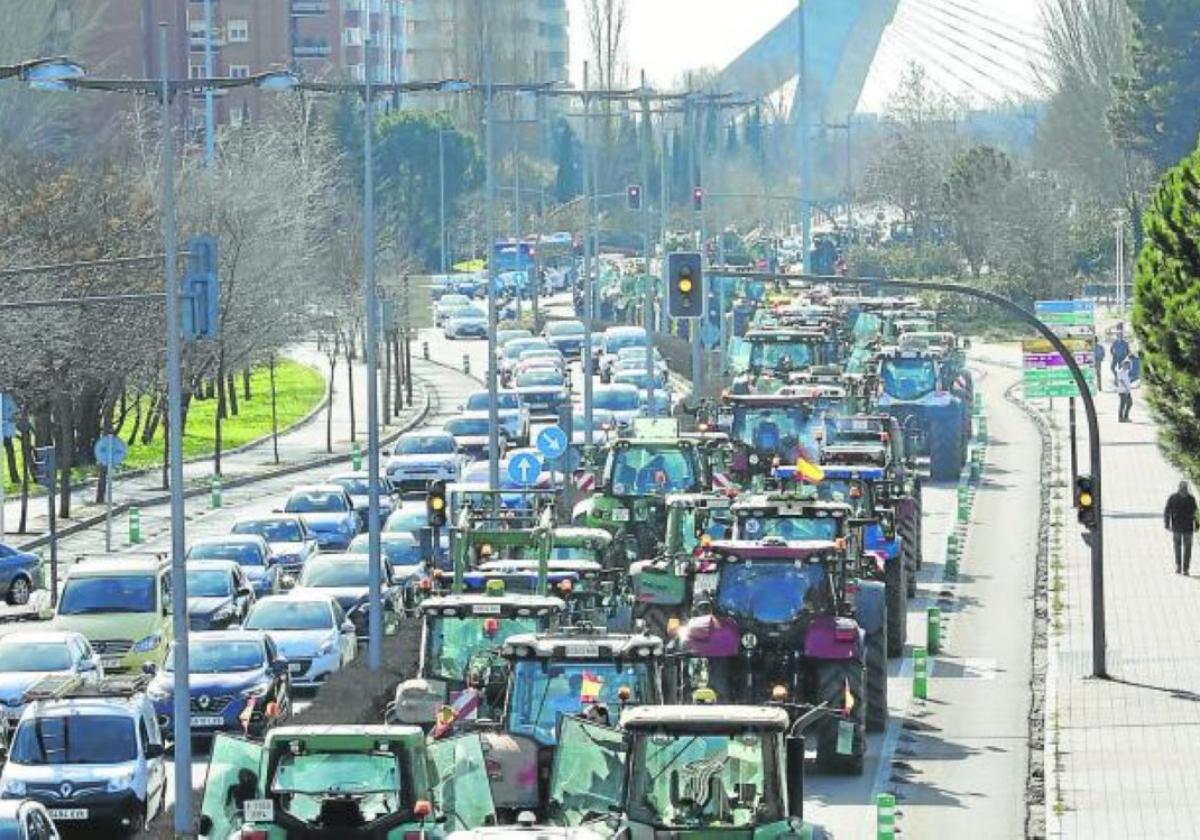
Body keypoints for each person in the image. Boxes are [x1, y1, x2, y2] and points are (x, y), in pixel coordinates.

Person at [1164, 481, 1198, 574]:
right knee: (1186, 548)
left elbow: (1167, 511)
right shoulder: (1191, 499)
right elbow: (1196, 513)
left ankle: (1180, 567)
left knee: (1179, 547)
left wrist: (1167, 524)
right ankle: (1184, 568)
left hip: (1179, 527)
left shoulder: (1173, 498)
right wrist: (1197, 525)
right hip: (1185, 527)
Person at [1116, 357, 1133, 422]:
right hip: (1123, 391)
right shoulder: (1120, 371)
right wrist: (1126, 388)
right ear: (1123, 365)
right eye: (1127, 364)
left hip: (1127, 390)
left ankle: (1125, 416)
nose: (1128, 366)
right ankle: (1121, 418)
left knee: (1130, 403)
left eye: (1129, 365)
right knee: (1122, 404)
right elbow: (1121, 380)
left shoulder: (1126, 372)